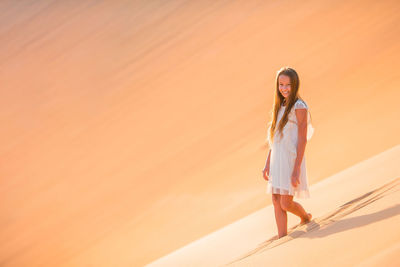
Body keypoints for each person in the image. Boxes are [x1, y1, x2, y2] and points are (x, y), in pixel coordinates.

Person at [262, 66, 314, 238]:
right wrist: (267, 163)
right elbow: (275, 138)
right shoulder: (280, 106)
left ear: (295, 85)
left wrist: (297, 167)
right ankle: (282, 238)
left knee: (285, 202)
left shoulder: (299, 106)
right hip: (277, 157)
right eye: (281, 84)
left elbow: (302, 138)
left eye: (288, 85)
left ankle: (305, 216)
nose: (284, 88)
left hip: (290, 158)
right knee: (276, 200)